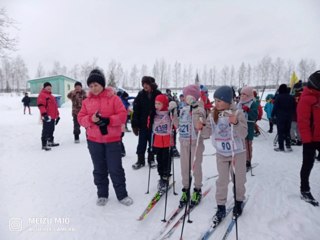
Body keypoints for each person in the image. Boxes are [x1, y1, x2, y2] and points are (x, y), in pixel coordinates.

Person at [78, 69, 133, 206]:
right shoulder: (87, 101)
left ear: (102, 84)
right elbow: (80, 118)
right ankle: (102, 194)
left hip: (112, 141)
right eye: (91, 86)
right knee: (99, 168)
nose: (93, 88)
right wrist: (91, 119)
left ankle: (122, 195)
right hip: (94, 141)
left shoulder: (114, 99)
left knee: (115, 168)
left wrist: (108, 120)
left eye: (96, 85)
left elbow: (123, 115)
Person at [202, 86, 248, 221]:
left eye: (219, 101)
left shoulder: (237, 113)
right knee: (222, 181)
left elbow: (243, 133)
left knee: (238, 180)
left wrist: (236, 122)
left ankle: (239, 201)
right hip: (221, 153)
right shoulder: (212, 114)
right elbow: (207, 132)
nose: (216, 104)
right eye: (215, 101)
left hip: (237, 153)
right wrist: (200, 128)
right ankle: (220, 206)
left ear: (228, 101)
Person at [178, 84, 206, 208]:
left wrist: (194, 108)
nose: (184, 98)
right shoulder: (183, 109)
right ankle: (185, 188)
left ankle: (197, 189)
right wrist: (173, 113)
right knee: (184, 167)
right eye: (184, 96)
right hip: (183, 142)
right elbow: (176, 125)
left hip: (195, 142)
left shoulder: (200, 109)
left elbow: (200, 122)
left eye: (186, 95)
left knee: (195, 167)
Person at [297, 70, 320, 205]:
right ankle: (304, 189)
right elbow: (303, 122)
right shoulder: (306, 99)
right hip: (310, 139)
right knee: (308, 164)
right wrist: (307, 140)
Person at [131, 76, 161, 170]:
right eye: (143, 84)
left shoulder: (158, 94)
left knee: (152, 143)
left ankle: (151, 159)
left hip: (154, 124)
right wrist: (134, 124)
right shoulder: (140, 95)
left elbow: (163, 107)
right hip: (143, 124)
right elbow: (136, 110)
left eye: (147, 84)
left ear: (151, 85)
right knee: (141, 143)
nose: (145, 86)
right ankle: (140, 160)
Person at [152, 94, 178, 192]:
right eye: (155, 103)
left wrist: (174, 113)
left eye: (159, 103)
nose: (156, 105)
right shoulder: (154, 113)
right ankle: (161, 177)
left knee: (166, 160)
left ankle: (166, 177)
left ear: (164, 104)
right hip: (157, 141)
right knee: (159, 160)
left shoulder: (169, 113)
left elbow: (175, 126)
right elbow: (149, 124)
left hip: (167, 142)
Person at [237, 86, 258, 171]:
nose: (242, 96)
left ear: (249, 95)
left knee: (247, 144)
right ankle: (242, 160)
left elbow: (254, 116)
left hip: (249, 126)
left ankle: (248, 161)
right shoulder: (239, 103)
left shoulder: (252, 103)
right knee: (241, 144)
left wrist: (248, 110)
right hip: (240, 126)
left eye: (244, 94)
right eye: (241, 94)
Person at [271, 84, 295, 152]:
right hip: (289, 117)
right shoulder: (291, 97)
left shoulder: (278, 97)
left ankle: (281, 147)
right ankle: (288, 145)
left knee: (280, 132)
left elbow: (275, 107)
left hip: (280, 117)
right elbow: (294, 107)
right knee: (287, 131)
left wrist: (272, 115)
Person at [37, 82, 60, 151]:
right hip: (47, 116)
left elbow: (55, 107)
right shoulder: (42, 95)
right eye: (47, 87)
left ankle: (50, 141)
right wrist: (44, 114)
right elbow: (41, 105)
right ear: (44, 88)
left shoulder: (52, 96)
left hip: (53, 117)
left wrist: (57, 116)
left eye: (50, 87)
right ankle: (44, 144)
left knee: (51, 129)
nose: (49, 88)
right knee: (46, 130)